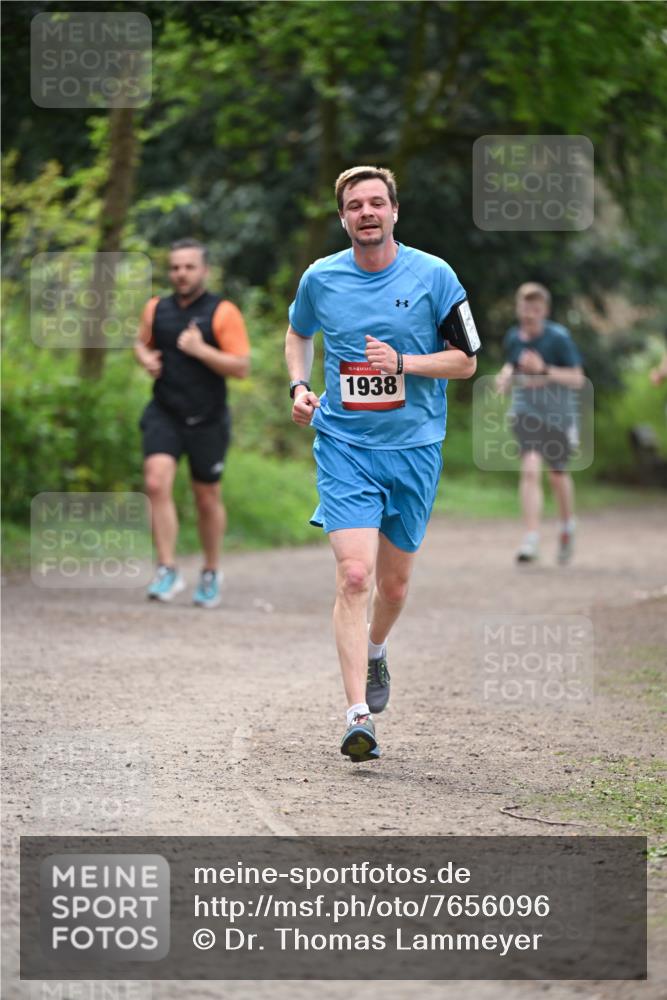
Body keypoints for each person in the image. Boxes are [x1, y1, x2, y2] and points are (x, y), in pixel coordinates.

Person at [285, 165, 478, 762]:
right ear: (342, 218)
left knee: (392, 587)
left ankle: (376, 650)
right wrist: (298, 386)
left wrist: (404, 363)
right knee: (354, 577)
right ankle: (356, 715)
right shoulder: (321, 278)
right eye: (354, 205)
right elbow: (297, 333)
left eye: (376, 203)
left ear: (395, 212)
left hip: (415, 448)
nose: (366, 212)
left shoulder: (435, 276)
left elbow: (466, 361)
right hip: (344, 444)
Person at [134, 239, 250, 606]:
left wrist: (201, 350)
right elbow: (141, 343)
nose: (180, 274)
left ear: (204, 271)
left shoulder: (223, 312)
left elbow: (241, 367)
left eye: (188, 267)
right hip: (164, 411)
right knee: (155, 483)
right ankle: (167, 569)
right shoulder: (157, 308)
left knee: (206, 498)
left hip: (208, 418)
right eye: (175, 268)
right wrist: (146, 358)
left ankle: (210, 570)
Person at [495, 282, 585, 565]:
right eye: (525, 307)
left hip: (558, 415)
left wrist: (543, 369)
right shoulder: (513, 338)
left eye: (535, 308)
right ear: (518, 308)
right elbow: (512, 366)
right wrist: (505, 377)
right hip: (527, 412)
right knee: (531, 469)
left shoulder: (558, 338)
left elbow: (577, 378)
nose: (529, 314)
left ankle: (567, 525)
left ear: (544, 310)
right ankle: (531, 538)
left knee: (557, 475)